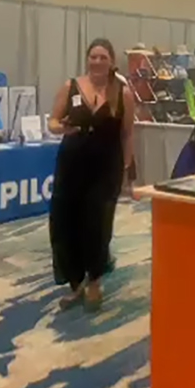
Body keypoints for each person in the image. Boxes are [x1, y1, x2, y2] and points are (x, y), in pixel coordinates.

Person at [47, 39, 135, 311]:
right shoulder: (70, 86)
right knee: (66, 223)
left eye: (103, 57)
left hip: (106, 168)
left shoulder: (123, 93)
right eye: (93, 57)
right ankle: (75, 284)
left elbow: (127, 134)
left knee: (98, 224)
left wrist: (126, 171)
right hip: (71, 166)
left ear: (112, 61)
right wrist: (61, 128)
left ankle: (95, 279)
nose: (97, 62)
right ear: (87, 60)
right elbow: (52, 121)